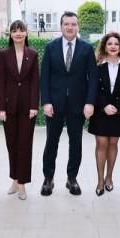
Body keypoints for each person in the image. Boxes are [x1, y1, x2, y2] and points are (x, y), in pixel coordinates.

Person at [39, 11, 97, 196]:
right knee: (51, 142)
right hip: (54, 104)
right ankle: (48, 178)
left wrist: (90, 102)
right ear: (61, 26)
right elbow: (44, 77)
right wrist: (46, 102)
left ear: (78, 26)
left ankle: (72, 178)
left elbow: (93, 78)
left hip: (77, 104)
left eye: (73, 24)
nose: (70, 27)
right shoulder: (51, 47)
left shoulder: (87, 48)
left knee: (76, 143)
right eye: (66, 24)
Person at [0, 20, 40, 199]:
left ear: (26, 33)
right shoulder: (3, 54)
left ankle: (22, 183)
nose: (18, 33)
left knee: (24, 145)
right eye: (14, 31)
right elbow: (0, 82)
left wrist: (34, 105)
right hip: (9, 106)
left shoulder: (33, 54)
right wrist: (0, 108)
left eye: (21, 30)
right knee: (12, 145)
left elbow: (35, 81)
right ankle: (14, 178)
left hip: (27, 107)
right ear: (11, 34)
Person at [88, 32, 120, 196]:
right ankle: (100, 180)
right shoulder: (97, 64)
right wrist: (104, 106)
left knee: (113, 144)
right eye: (110, 44)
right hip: (100, 111)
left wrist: (116, 106)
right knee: (101, 144)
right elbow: (93, 87)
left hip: (118, 111)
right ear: (104, 46)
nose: (113, 46)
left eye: (116, 44)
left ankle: (109, 177)